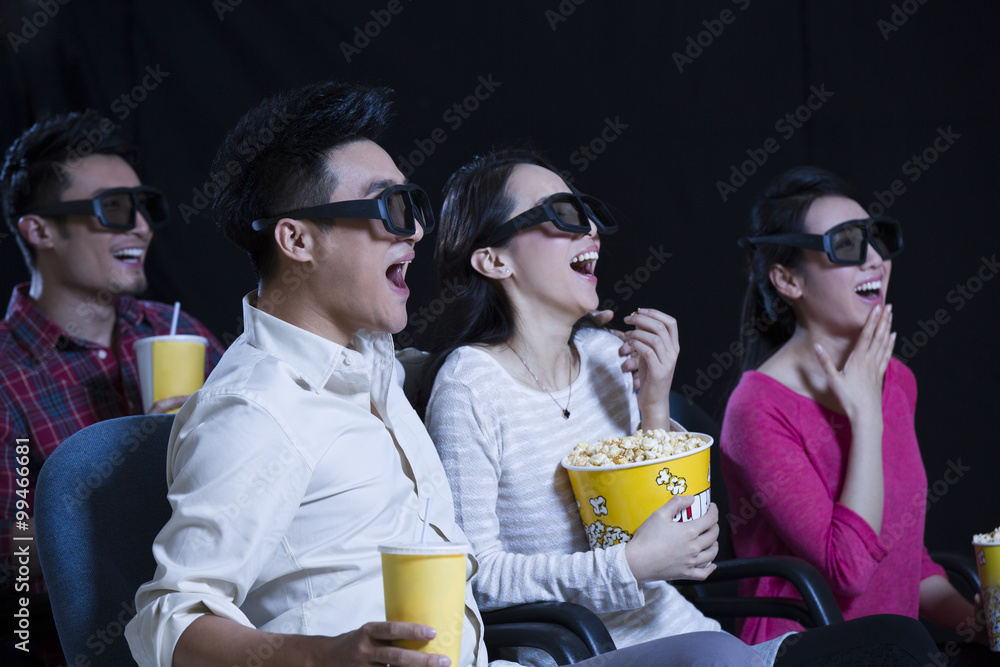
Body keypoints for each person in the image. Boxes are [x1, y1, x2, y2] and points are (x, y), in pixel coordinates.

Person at [124, 81, 755, 667]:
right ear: (297, 240)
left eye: (415, 205)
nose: (419, 231)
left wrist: (563, 336)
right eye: (391, 208)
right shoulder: (255, 410)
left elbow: (467, 370)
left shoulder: (372, 369)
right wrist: (324, 655)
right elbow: (169, 617)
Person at [421, 148, 945, 667]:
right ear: (494, 259)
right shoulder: (468, 386)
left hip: (687, 636)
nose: (591, 232)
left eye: (589, 214)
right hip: (579, 651)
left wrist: (653, 407)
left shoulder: (608, 357)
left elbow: (682, 555)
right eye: (563, 214)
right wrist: (627, 564)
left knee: (901, 645)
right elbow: (474, 578)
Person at [719, 166, 989, 661]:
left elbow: (905, 555)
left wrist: (975, 623)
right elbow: (850, 569)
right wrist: (865, 419)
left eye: (877, 238)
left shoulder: (897, 380)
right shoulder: (756, 406)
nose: (874, 260)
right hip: (801, 649)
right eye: (845, 244)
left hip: (896, 650)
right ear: (786, 278)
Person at [0, 110, 225, 666]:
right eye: (114, 210)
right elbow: (18, 573)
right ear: (40, 229)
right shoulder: (7, 375)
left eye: (143, 207)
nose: (142, 227)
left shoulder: (177, 332)